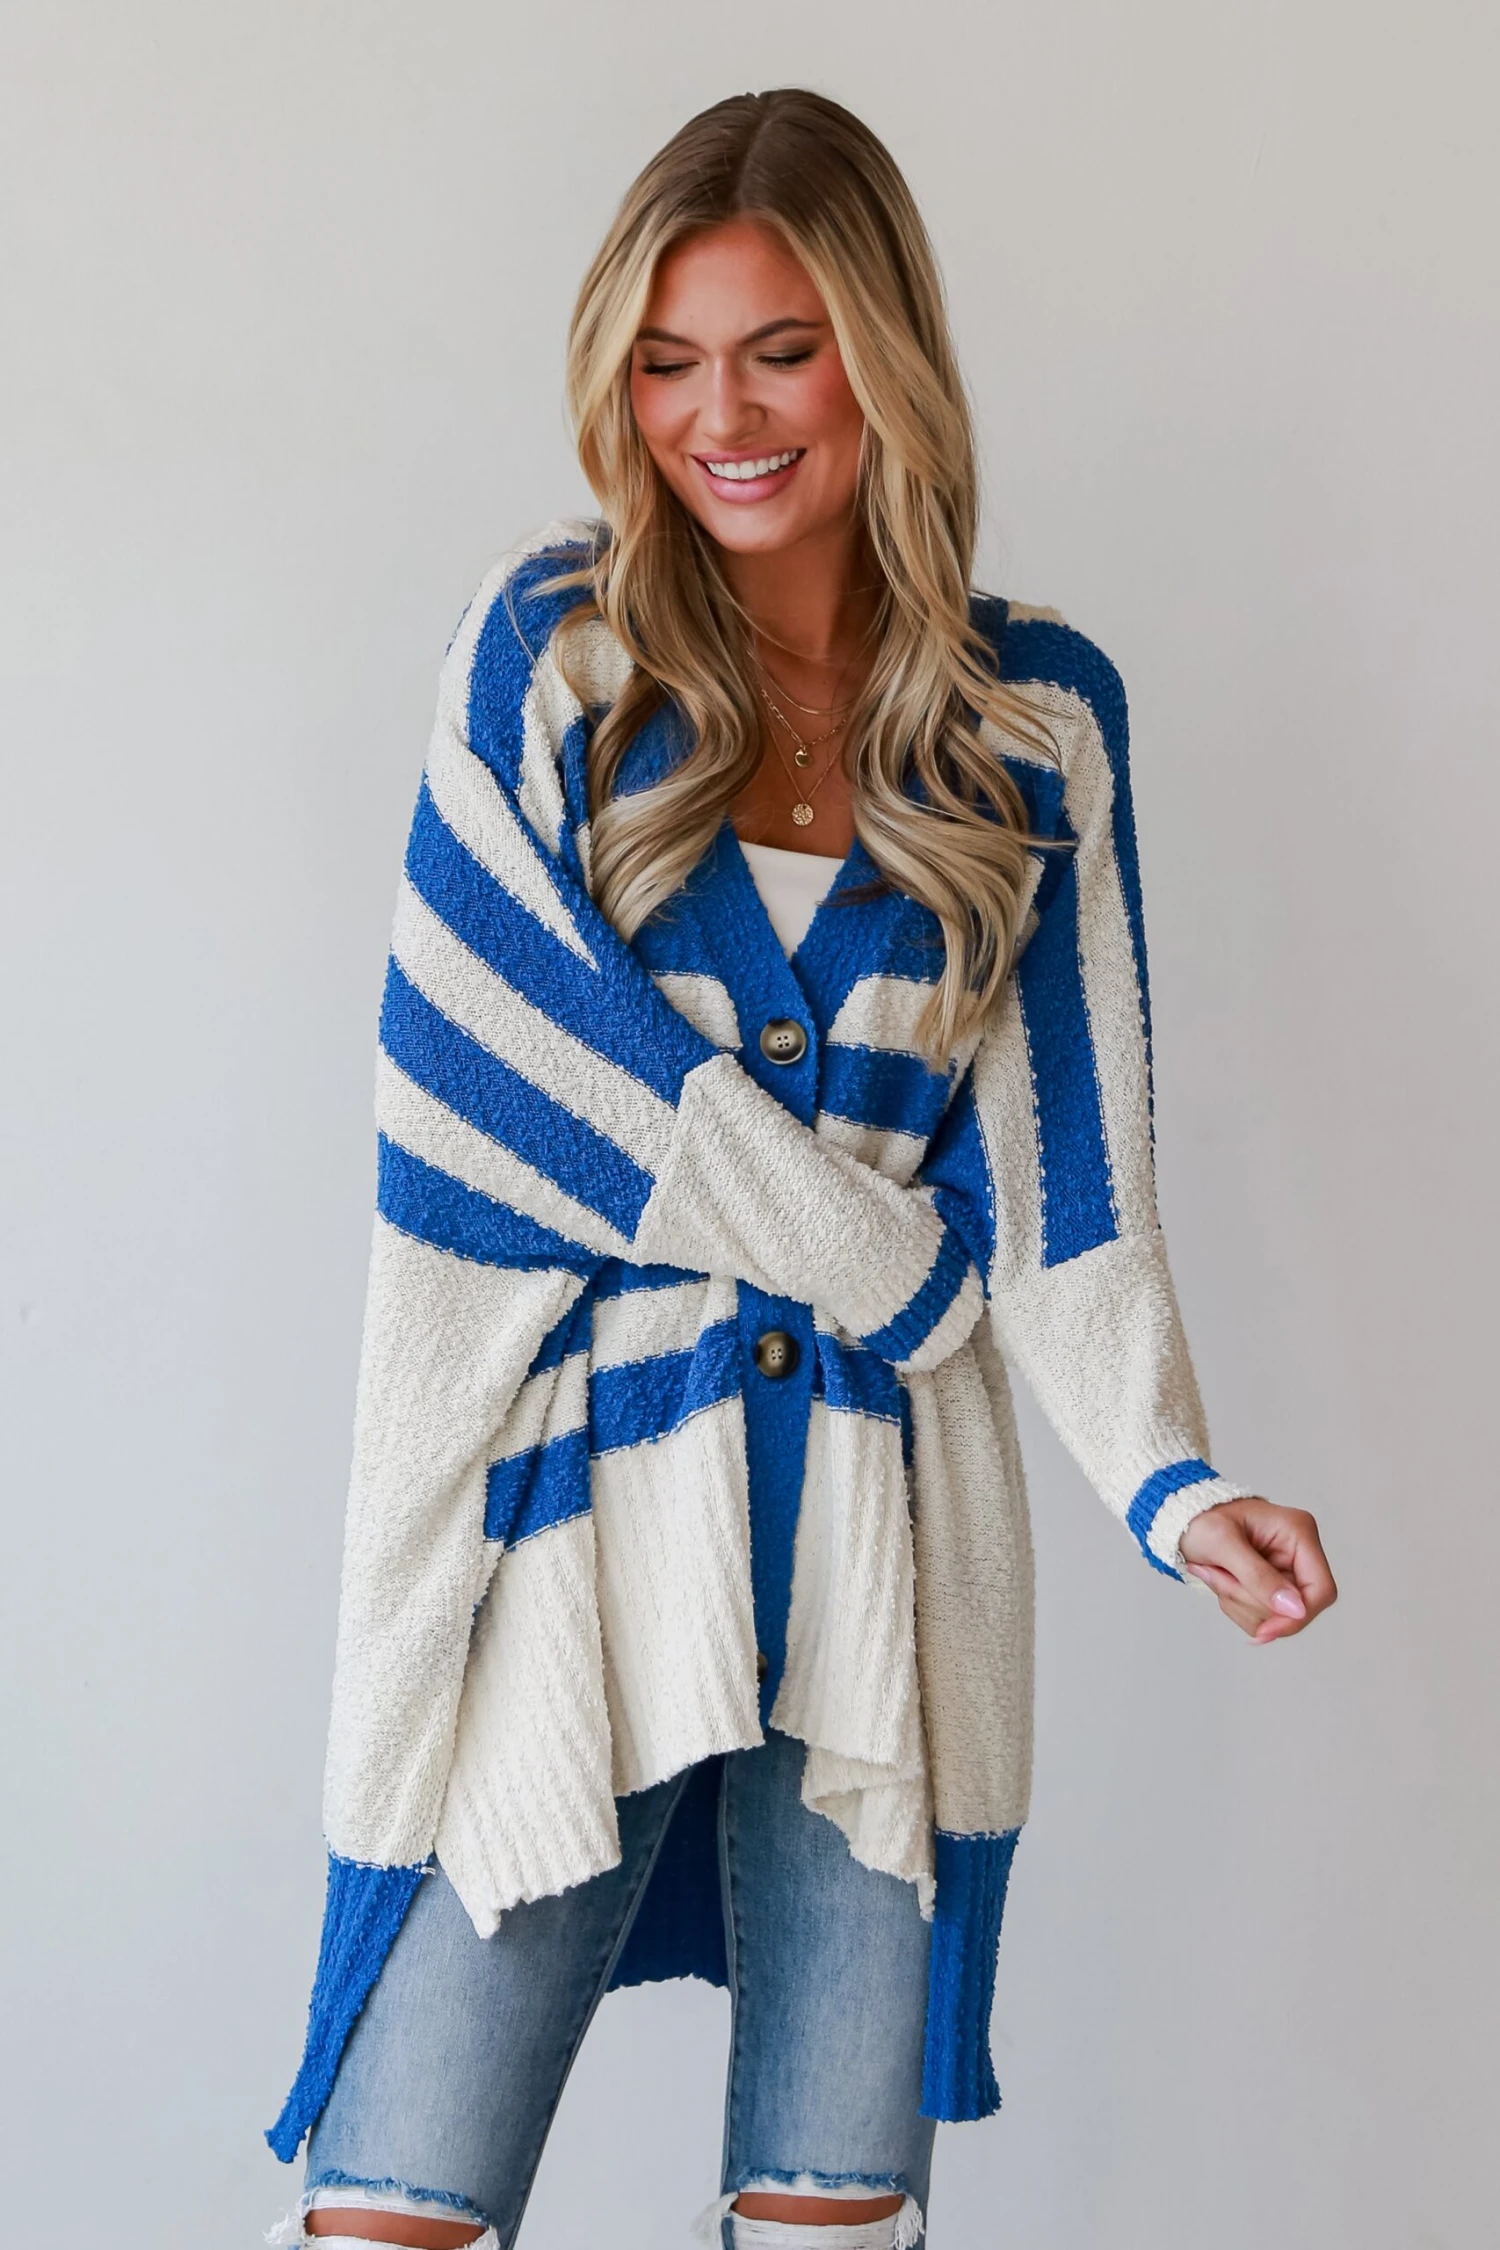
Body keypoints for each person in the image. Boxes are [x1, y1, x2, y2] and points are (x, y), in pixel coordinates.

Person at [266, 87, 1336, 2250]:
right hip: (571, 1551)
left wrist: (1172, 1478)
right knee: (393, 2215)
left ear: (885, 357)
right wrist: (899, 1272)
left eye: (780, 351)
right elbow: (495, 1090)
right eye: (668, 363)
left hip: (883, 1572)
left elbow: (1068, 1182)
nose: (720, 417)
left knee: (832, 2224)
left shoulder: (1034, 725)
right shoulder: (556, 660)